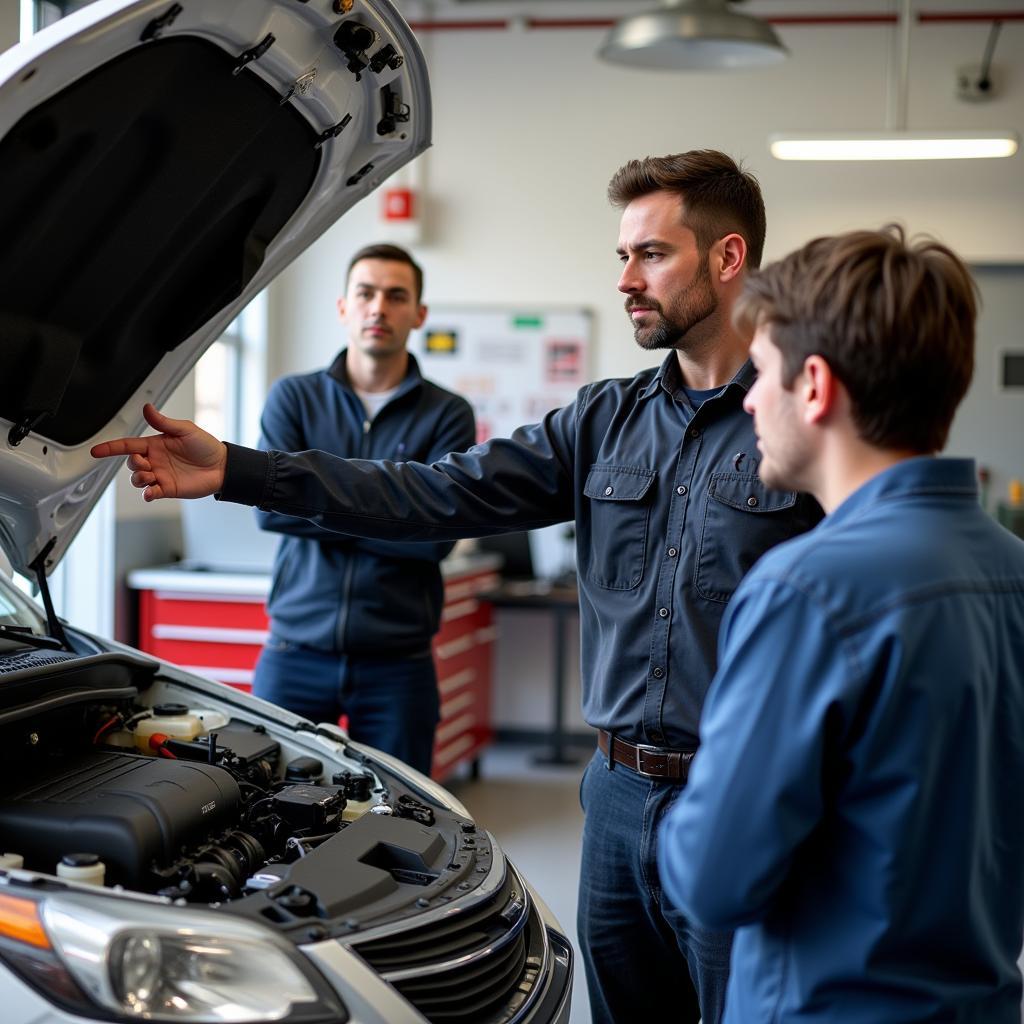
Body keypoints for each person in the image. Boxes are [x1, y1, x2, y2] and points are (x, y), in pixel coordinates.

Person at [91, 150, 821, 1024]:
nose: (627, 278)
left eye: (651, 255)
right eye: (621, 256)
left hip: (745, 793)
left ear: (728, 258)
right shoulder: (602, 420)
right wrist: (243, 470)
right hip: (617, 798)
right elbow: (434, 492)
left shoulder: (802, 419)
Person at [658, 226, 1024, 1022]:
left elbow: (714, 879)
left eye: (760, 374)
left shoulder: (806, 590)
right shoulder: (1011, 569)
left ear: (815, 386)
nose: (750, 400)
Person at [254, 243, 474, 777]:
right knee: (265, 802)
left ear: (418, 314)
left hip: (397, 663)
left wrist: (314, 502)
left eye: (397, 296)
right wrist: (392, 515)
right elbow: (269, 509)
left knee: (403, 816)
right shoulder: (294, 399)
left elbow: (437, 538)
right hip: (294, 651)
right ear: (344, 307)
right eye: (366, 293)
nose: (379, 308)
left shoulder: (448, 414)